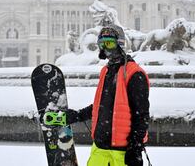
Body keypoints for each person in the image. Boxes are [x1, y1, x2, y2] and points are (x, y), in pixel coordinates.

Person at [45, 24, 150, 166]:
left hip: (122, 153)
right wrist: (77, 115)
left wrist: (135, 147)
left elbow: (141, 115)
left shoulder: (134, 73)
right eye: (102, 44)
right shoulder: (106, 71)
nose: (105, 48)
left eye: (109, 43)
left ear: (119, 43)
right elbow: (103, 105)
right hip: (100, 149)